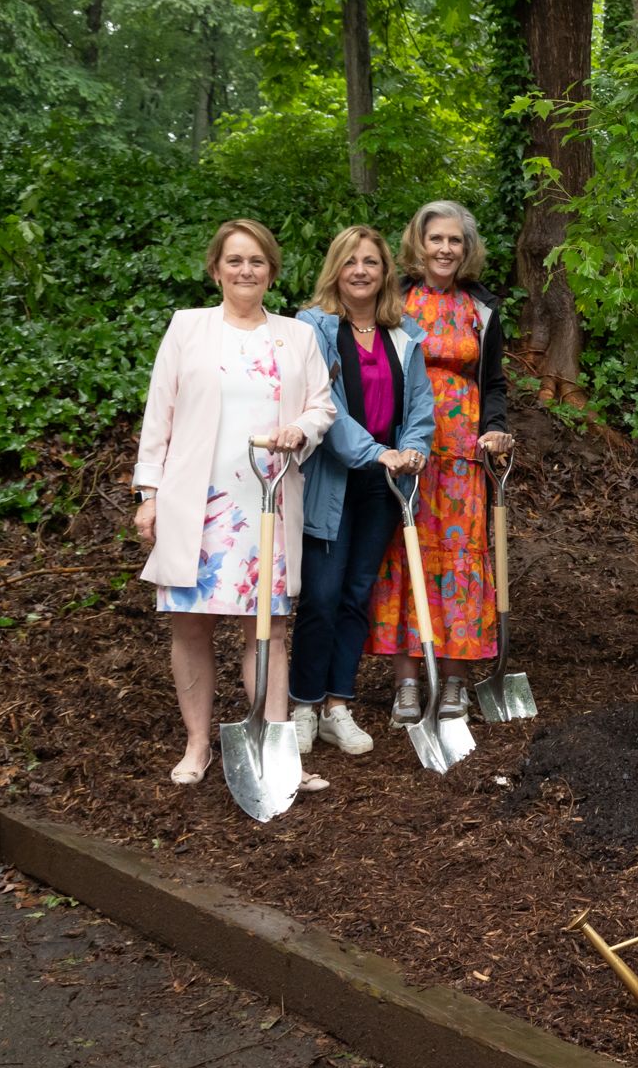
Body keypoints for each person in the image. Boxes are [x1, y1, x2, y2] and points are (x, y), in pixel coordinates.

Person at [133, 219, 336, 786]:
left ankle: (275, 753)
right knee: (191, 627)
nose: (245, 271)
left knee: (264, 629)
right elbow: (160, 414)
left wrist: (301, 428)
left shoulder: (297, 336)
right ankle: (197, 745)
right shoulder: (188, 328)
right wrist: (149, 494)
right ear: (215, 268)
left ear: (272, 271)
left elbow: (322, 407)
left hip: (265, 504)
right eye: (234, 260)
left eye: (257, 262)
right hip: (195, 502)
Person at [289, 226, 437, 757]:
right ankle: (303, 705)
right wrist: (377, 452)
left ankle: (337, 707)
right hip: (332, 481)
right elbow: (324, 405)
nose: (360, 271)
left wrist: (412, 449)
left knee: (355, 597)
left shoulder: (404, 334)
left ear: (384, 272)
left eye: (371, 262)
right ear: (336, 268)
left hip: (384, 485)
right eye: (350, 261)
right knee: (322, 596)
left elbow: (421, 406)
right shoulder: (314, 328)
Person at [366, 200, 514, 722]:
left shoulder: (482, 308)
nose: (445, 249)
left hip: (465, 454)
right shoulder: (396, 302)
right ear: (418, 245)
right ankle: (408, 681)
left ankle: (454, 681)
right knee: (406, 556)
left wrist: (495, 427)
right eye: (436, 240)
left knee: (460, 559)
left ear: (466, 248)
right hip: (409, 447)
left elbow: (492, 381)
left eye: (455, 240)